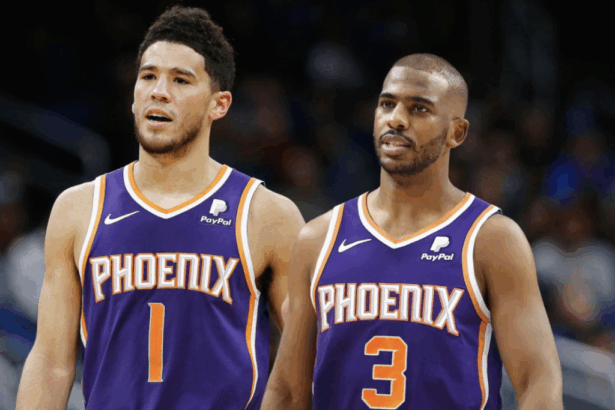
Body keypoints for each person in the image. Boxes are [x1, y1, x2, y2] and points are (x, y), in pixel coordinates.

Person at [16, 6, 303, 410]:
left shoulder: (267, 215)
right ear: (134, 96)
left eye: (180, 80)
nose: (159, 91)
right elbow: (51, 363)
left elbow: (308, 363)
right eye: (148, 76)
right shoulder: (78, 209)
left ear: (219, 104)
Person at [262, 54, 563, 409]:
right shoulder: (318, 238)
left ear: (456, 132)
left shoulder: (491, 239)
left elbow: (537, 381)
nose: (397, 119)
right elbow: (287, 391)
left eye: (419, 109)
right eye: (387, 104)